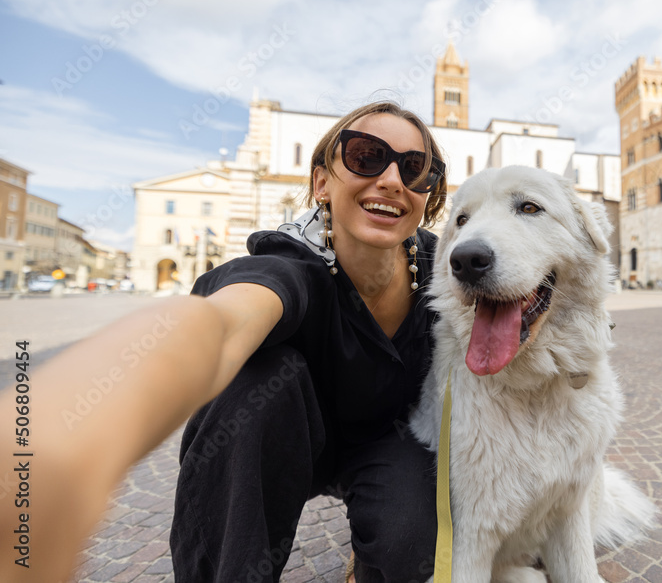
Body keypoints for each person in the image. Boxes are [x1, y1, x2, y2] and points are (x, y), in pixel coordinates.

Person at [0, 101, 448, 583]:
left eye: (415, 168)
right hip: (287, 437)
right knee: (257, 378)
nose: (391, 180)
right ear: (322, 182)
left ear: (427, 192)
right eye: (365, 156)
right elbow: (218, 327)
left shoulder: (446, 269)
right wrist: (70, 436)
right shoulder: (291, 264)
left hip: (394, 444)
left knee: (413, 549)